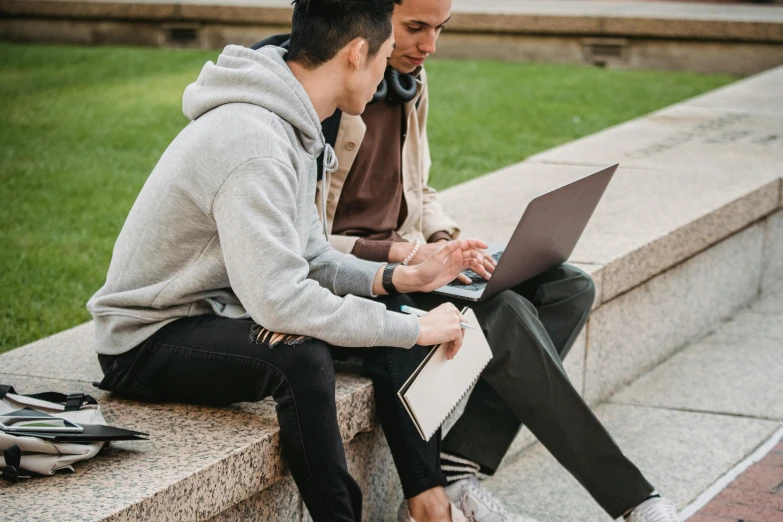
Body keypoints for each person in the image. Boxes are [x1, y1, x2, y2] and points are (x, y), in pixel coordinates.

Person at [87, 1, 493, 521]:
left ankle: (429, 503)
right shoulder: (253, 143)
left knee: (397, 317)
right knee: (299, 354)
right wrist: (412, 330)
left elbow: (312, 256)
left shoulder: (295, 124)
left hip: (219, 312)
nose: (384, 77)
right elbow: (280, 299)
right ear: (357, 53)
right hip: (147, 338)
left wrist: (402, 278)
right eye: (385, 57)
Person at [301, 0, 683, 520]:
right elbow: (306, 244)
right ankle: (636, 501)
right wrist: (410, 253)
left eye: (440, 29)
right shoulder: (323, 89)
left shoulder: (411, 80)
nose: (429, 45)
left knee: (568, 287)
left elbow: (419, 187)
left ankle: (460, 464)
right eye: (415, 28)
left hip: (418, 259)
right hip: (359, 277)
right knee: (505, 315)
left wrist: (450, 240)